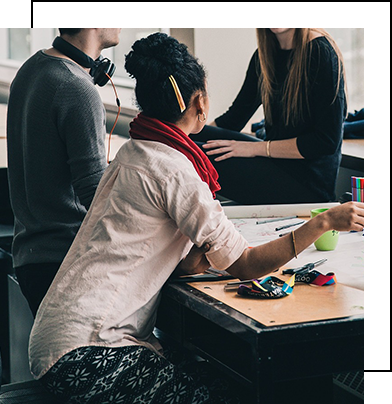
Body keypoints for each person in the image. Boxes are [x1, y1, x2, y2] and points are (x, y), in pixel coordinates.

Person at [29, 33, 365, 404]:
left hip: (55, 338)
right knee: (233, 393)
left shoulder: (132, 153)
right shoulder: (177, 172)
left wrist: (190, 258)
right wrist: (323, 222)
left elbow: (145, 247)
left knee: (215, 372)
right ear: (200, 101)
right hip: (89, 352)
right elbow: (248, 265)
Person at [6, 26, 122, 317]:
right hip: (65, 262)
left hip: (32, 259)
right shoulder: (76, 87)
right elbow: (97, 196)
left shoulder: (32, 68)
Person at [192, 26, 347, 205]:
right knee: (186, 138)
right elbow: (234, 119)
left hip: (308, 184)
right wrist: (185, 132)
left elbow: (326, 142)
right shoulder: (263, 55)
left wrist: (253, 149)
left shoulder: (321, 52)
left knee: (194, 154)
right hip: (277, 162)